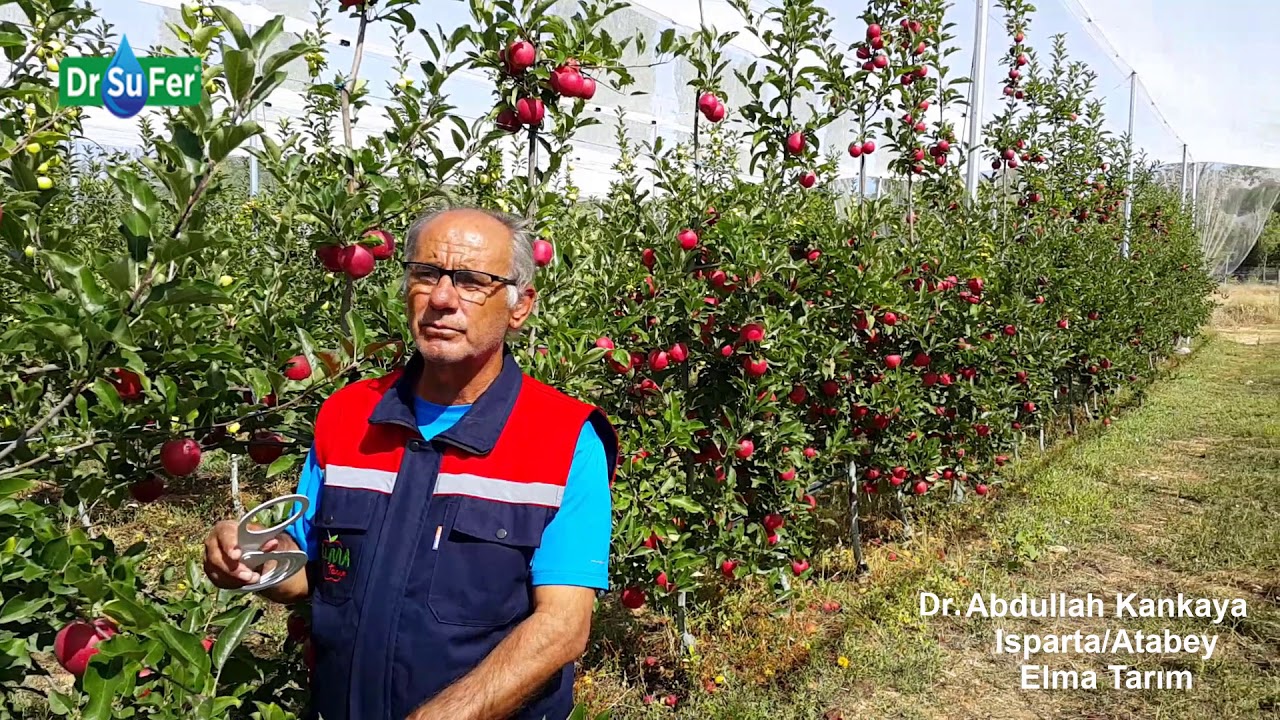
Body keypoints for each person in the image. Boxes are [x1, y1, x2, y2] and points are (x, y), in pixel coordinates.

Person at [203, 207, 618, 720]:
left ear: (520, 307)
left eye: (471, 281)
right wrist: (254, 561)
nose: (441, 298)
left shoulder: (564, 438)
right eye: (425, 273)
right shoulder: (348, 416)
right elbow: (310, 572)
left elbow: (562, 628)